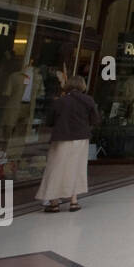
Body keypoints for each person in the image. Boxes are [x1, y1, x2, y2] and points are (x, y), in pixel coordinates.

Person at [37, 76, 100, 212]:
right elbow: (95, 120)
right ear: (82, 86)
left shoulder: (60, 101)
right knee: (77, 167)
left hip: (62, 137)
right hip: (81, 138)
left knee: (56, 168)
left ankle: (53, 202)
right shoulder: (88, 100)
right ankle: (74, 201)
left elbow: (50, 121)